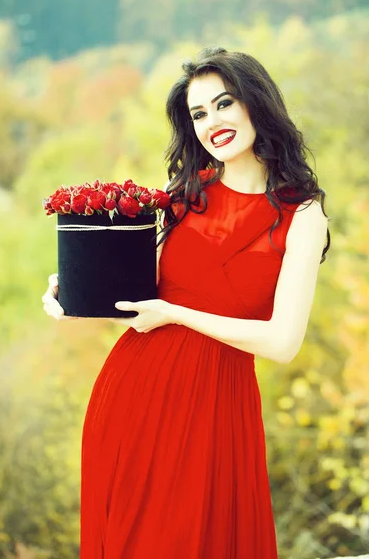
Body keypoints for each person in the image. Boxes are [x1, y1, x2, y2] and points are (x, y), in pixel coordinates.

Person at [42, 47, 330, 558]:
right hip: (133, 397)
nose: (212, 122)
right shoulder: (183, 198)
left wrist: (176, 314)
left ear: (255, 104)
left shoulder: (302, 215)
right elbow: (137, 295)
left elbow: (283, 342)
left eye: (224, 103)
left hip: (218, 409)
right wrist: (75, 289)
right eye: (198, 113)